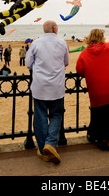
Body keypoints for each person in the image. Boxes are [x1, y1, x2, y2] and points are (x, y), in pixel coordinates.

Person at [26, 20, 69, 164]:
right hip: (56, 86)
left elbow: (28, 64)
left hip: (40, 86)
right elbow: (66, 62)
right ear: (55, 29)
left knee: (40, 117)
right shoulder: (62, 43)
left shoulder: (36, 43)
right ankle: (50, 144)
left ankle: (43, 147)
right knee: (56, 115)